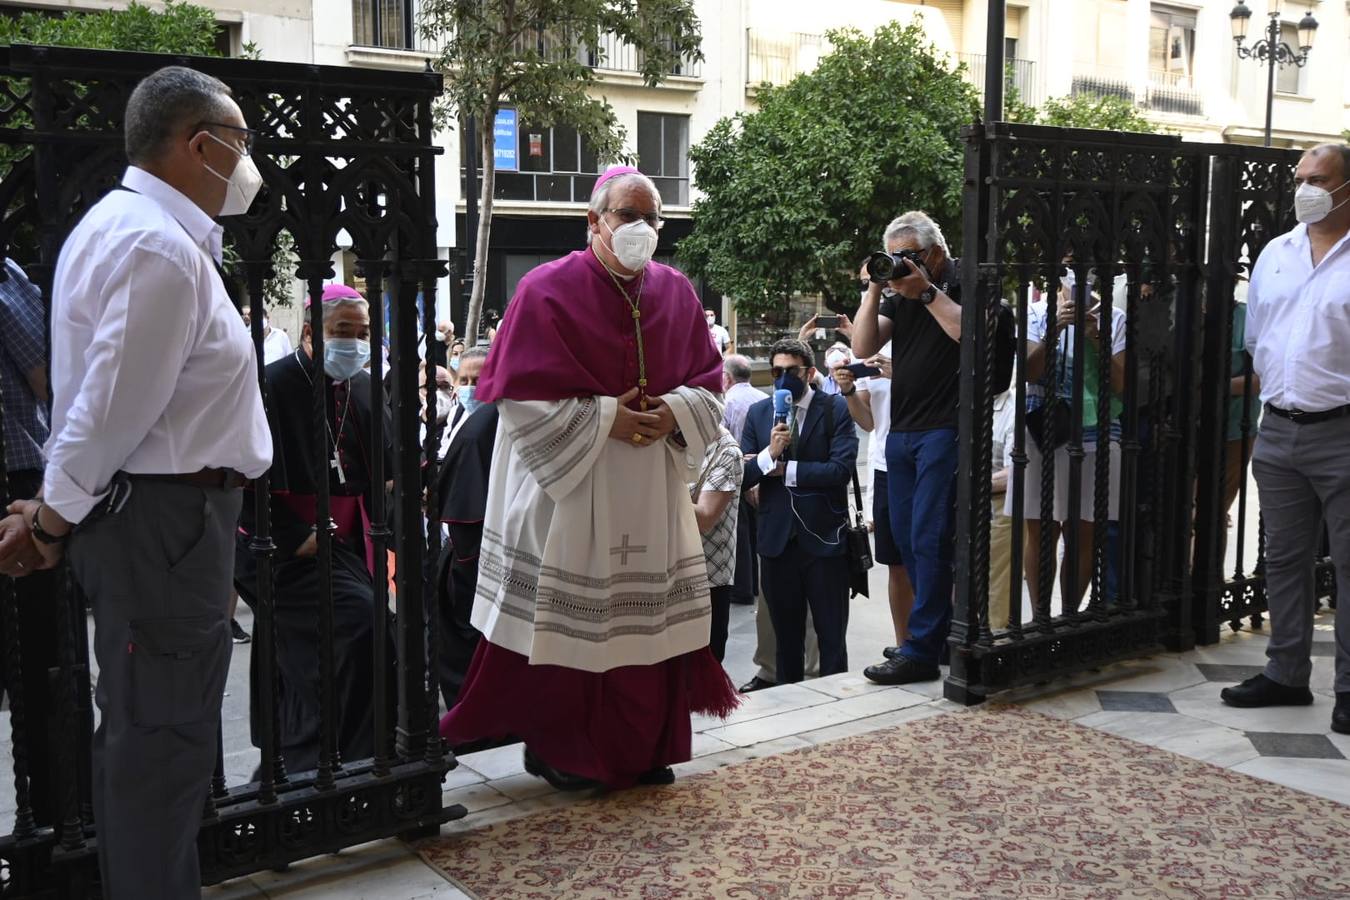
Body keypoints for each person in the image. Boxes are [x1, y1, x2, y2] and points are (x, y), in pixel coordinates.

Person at [0, 66, 271, 897]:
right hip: (163, 521)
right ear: (201, 146)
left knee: (160, 742)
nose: (249, 162)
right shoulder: (152, 243)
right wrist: (51, 518)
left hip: (170, 518)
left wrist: (57, 507)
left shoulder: (149, 234)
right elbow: (110, 405)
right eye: (242, 143)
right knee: (162, 746)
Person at [438, 166, 738, 791]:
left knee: (646, 623)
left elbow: (710, 385)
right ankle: (561, 751)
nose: (643, 229)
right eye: (629, 215)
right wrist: (608, 416)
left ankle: (642, 747)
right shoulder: (545, 289)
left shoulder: (676, 291)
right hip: (571, 486)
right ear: (594, 222)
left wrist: (670, 415)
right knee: (568, 630)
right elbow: (515, 397)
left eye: (653, 218)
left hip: (649, 486)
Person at [234, 283, 392, 775]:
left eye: (363, 332)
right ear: (309, 333)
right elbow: (239, 476)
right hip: (284, 545)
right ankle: (331, 756)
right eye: (343, 331)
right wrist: (291, 535)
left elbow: (384, 473)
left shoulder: (364, 387)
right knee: (359, 625)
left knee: (321, 648)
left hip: (347, 544)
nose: (355, 342)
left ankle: (315, 756)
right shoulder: (271, 385)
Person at [1220, 143, 1350, 736]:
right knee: (1284, 559)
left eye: (1317, 179)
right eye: (1299, 179)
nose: (1305, 189)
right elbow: (1261, 340)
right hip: (1278, 428)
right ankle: (1286, 674)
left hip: (1343, 430)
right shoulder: (1276, 252)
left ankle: (1349, 688)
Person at [852, 211, 962, 685]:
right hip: (903, 431)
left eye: (908, 257)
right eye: (892, 257)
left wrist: (928, 292)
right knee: (907, 541)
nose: (901, 266)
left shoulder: (958, 281)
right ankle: (927, 638)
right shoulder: (899, 294)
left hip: (944, 427)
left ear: (935, 253)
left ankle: (923, 646)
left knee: (930, 538)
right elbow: (861, 346)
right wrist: (876, 285)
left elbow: (968, 334)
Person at [740, 338, 858, 685]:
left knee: (831, 637)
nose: (782, 379)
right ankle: (789, 706)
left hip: (823, 540)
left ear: (808, 372)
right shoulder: (759, 413)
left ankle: (836, 710)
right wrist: (769, 454)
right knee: (785, 641)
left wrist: (784, 471)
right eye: (776, 371)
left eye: (790, 371)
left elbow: (839, 470)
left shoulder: (834, 408)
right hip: (777, 542)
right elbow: (743, 474)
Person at [1012, 263, 1126, 615]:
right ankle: (1039, 616)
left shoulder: (1114, 317)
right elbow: (1029, 371)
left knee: (1084, 531)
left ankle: (1068, 618)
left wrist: (1095, 335)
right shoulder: (1034, 312)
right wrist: (1055, 327)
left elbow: (1121, 383)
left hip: (1098, 432)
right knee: (1040, 527)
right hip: (1044, 430)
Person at [0, 259, 61, 827]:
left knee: (37, 669)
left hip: (14, 488)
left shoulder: (5, 280)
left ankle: (50, 827)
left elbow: (53, 388)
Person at [832, 342, 916, 659]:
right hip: (886, 464)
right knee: (895, 563)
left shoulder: (927, 338)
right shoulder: (870, 349)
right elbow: (868, 422)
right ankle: (904, 645)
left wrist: (903, 375)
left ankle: (935, 638)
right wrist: (849, 390)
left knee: (930, 555)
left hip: (925, 459)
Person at [433, 347, 497, 713]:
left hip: (473, 555)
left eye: (480, 380)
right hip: (451, 548)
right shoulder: (457, 416)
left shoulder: (486, 423)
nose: (472, 388)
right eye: (466, 381)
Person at [691, 426, 743, 662]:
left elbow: (705, 517)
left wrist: (660, 488)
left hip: (708, 578)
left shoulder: (726, 451)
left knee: (703, 668)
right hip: (674, 575)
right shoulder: (677, 439)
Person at [721, 353, 760, 608]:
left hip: (738, 469)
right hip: (761, 468)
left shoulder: (729, 402)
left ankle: (743, 588)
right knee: (755, 532)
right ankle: (756, 584)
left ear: (727, 377)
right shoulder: (762, 398)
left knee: (740, 531)